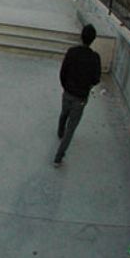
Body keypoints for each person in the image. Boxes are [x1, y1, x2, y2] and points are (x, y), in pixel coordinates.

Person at [54, 24, 102, 167]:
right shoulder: (95, 58)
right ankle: (58, 157)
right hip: (80, 97)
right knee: (72, 128)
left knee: (64, 113)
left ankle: (59, 130)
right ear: (93, 39)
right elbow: (96, 79)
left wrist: (66, 86)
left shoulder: (72, 52)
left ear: (81, 36)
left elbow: (63, 72)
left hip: (68, 92)